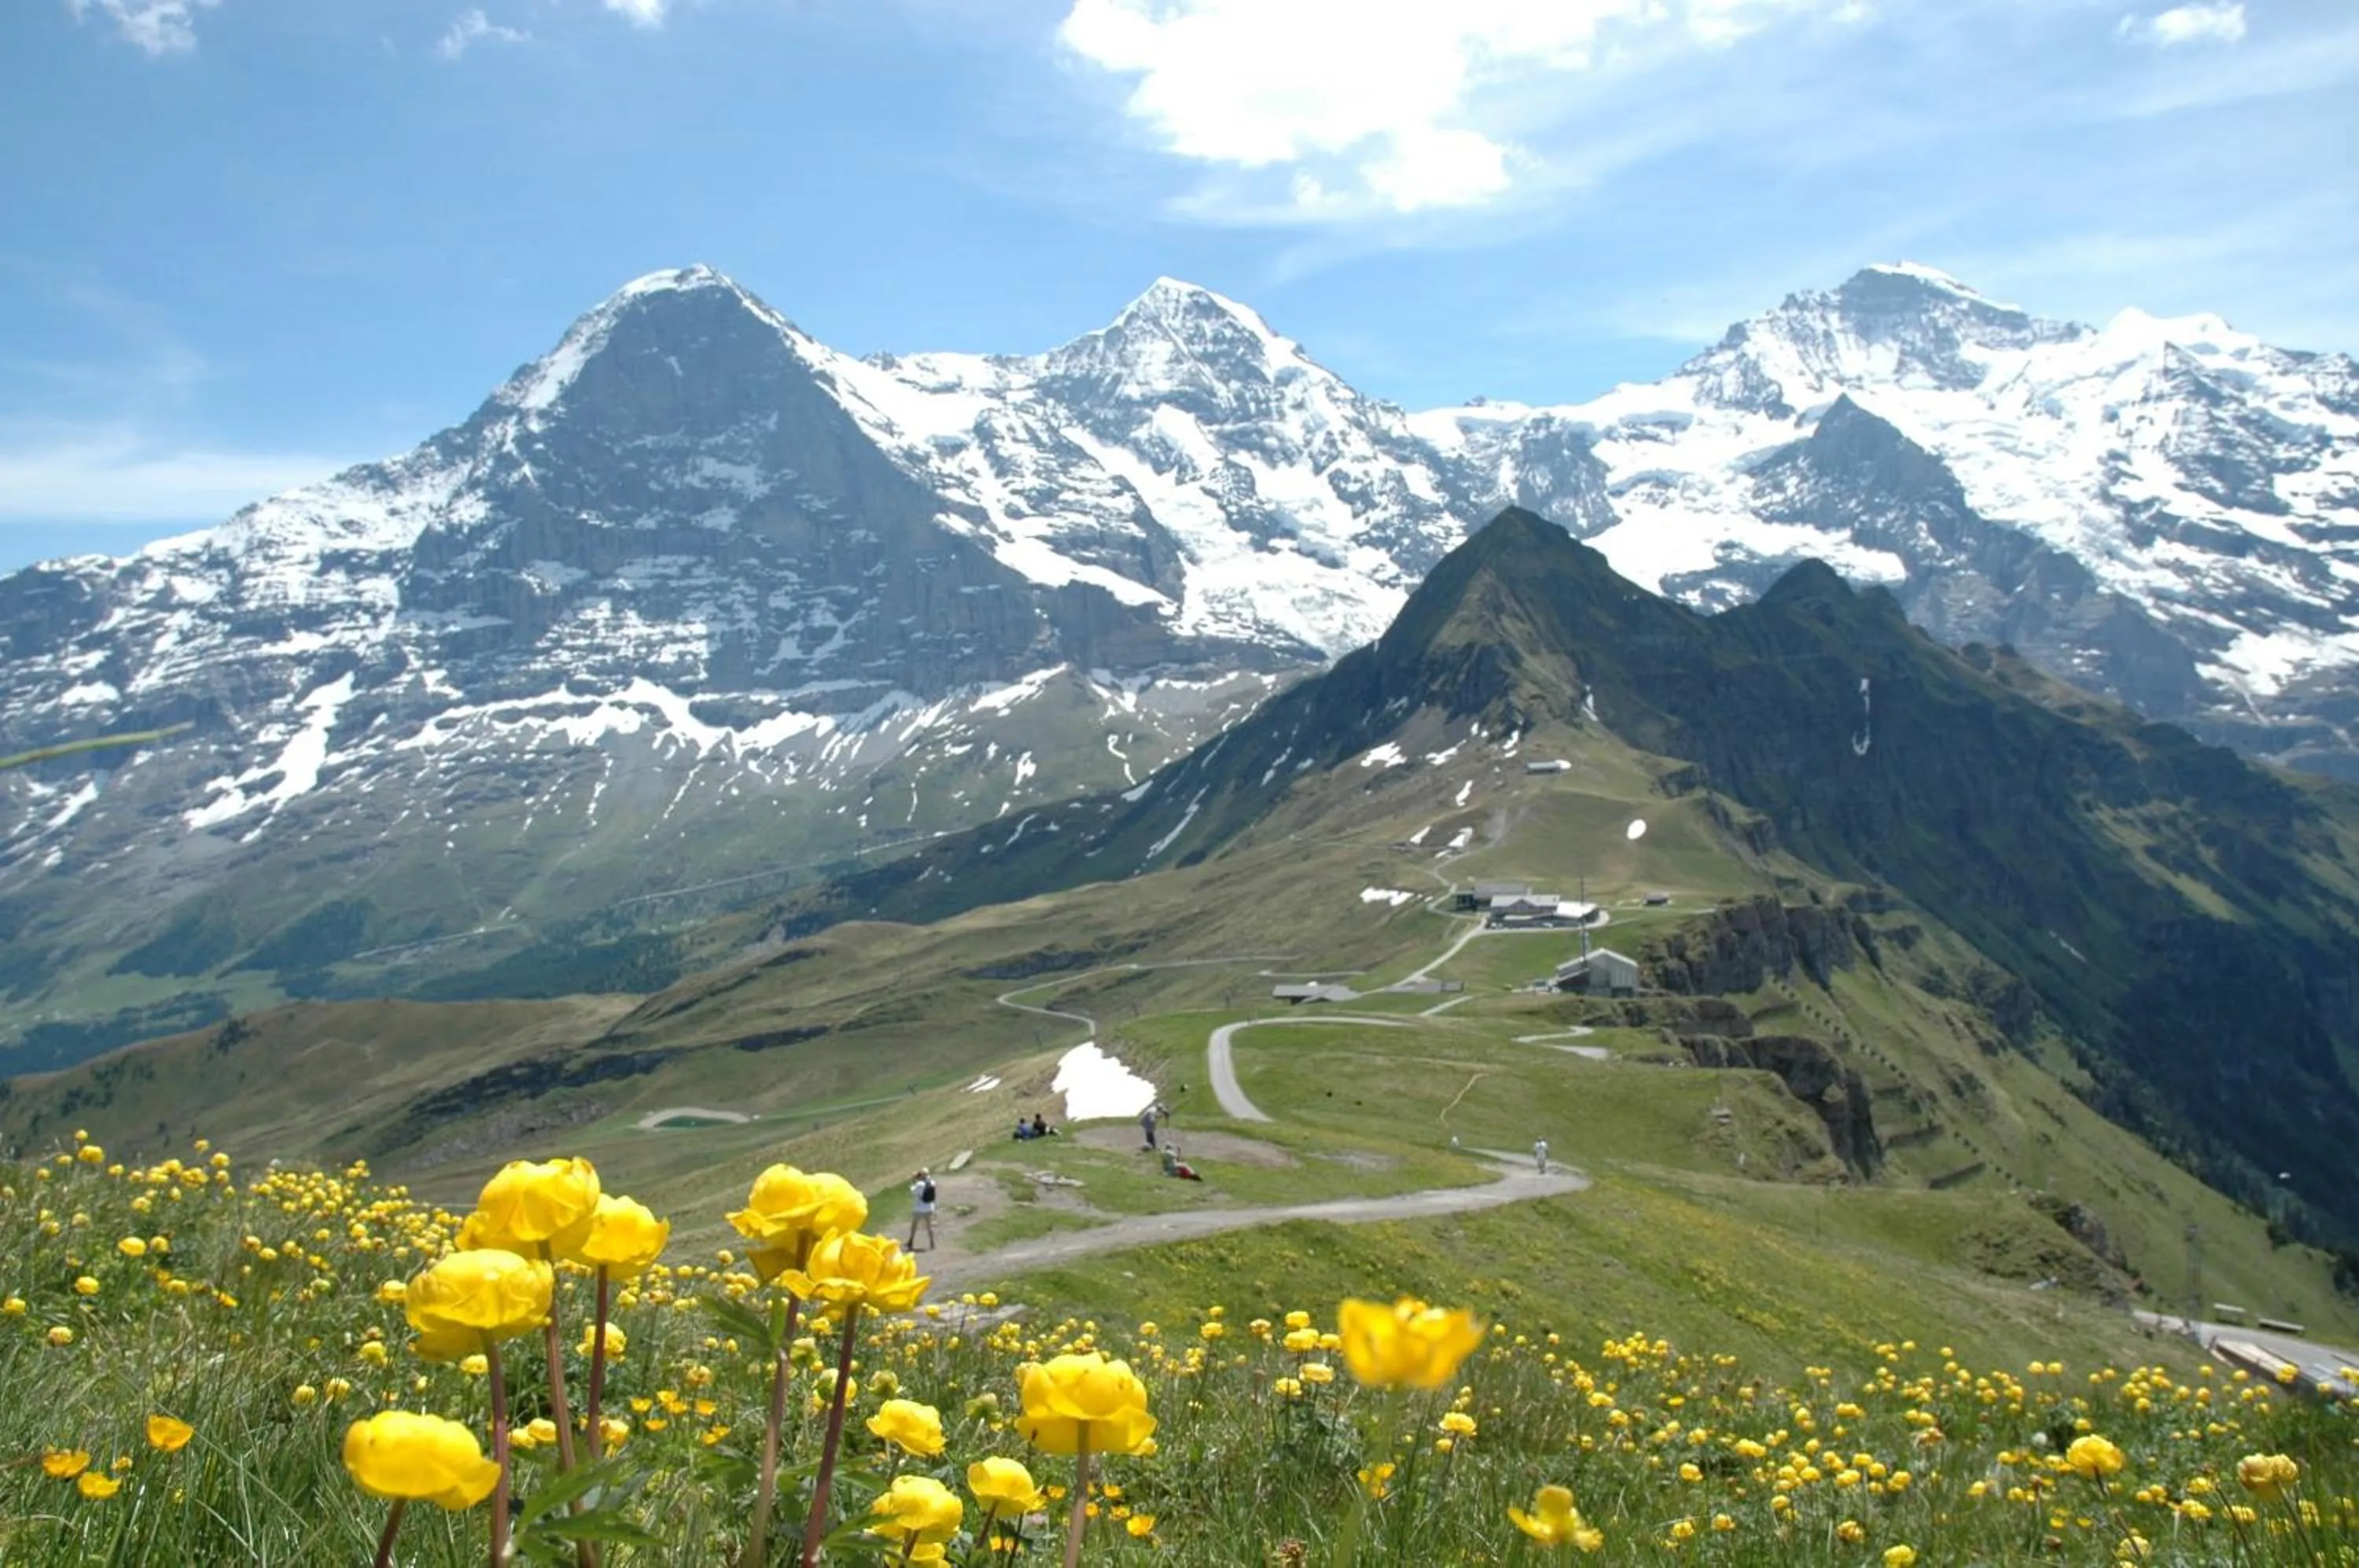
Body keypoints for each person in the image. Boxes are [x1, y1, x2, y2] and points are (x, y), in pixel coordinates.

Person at [907, 1169, 937, 1252]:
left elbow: (912, 1192)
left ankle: (911, 1242)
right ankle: (932, 1242)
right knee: (929, 1226)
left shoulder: (920, 1184)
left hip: (920, 1209)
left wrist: (913, 1181)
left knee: (914, 1226)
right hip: (930, 1208)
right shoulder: (932, 1183)